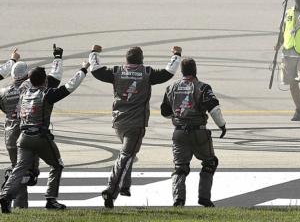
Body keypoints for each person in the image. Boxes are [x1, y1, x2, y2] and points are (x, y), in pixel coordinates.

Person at [88, 45, 182, 208]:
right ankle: (111, 190)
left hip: (118, 122)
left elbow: (95, 70)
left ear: (126, 59)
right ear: (142, 59)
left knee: (128, 152)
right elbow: (169, 72)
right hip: (136, 124)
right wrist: (177, 54)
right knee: (126, 155)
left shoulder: (116, 71)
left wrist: (94, 52)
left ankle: (125, 185)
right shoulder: (147, 73)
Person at [0, 46, 90, 214]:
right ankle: (51, 199)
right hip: (39, 136)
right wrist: (83, 69)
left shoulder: (20, 93)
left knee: (19, 168)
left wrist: (12, 60)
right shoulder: (44, 93)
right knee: (57, 165)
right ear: (43, 80)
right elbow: (68, 85)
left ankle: (5, 196)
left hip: (18, 137)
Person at [160, 58, 226, 207]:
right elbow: (214, 109)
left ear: (182, 71)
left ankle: (178, 200)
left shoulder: (171, 88)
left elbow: (164, 112)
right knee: (210, 162)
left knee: (180, 168)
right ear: (195, 70)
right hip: (199, 132)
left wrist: (178, 116)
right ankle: (204, 198)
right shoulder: (203, 87)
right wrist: (222, 126)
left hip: (179, 133)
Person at [0, 48, 39, 209]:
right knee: (29, 174)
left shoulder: (3, 92)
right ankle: (8, 187)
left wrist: (12, 60)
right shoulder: (29, 88)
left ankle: (19, 206)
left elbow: (3, 107)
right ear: (26, 75)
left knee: (19, 169)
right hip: (25, 134)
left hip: (9, 134)